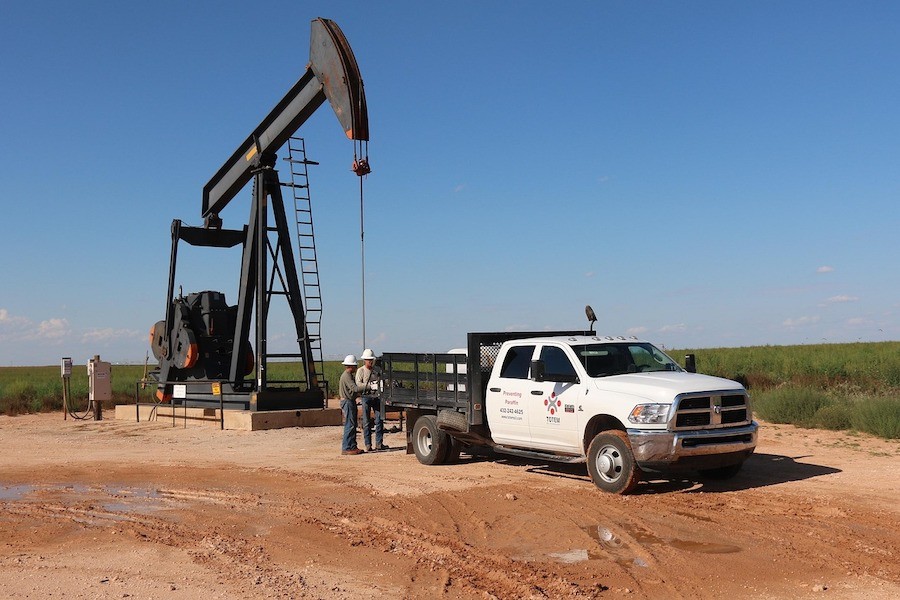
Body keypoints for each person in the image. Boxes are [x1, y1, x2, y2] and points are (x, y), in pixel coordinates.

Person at [339, 354, 376, 455]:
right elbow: (354, 388)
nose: (356, 367)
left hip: (349, 401)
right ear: (351, 366)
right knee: (350, 425)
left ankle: (352, 446)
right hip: (347, 402)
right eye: (355, 365)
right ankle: (347, 447)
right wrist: (370, 387)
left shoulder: (348, 375)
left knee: (352, 424)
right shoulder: (347, 376)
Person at [356, 348, 388, 451]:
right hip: (366, 397)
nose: (370, 361)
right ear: (364, 360)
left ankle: (379, 443)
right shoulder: (361, 371)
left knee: (379, 420)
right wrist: (370, 386)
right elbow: (358, 385)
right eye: (368, 359)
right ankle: (368, 445)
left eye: (371, 359)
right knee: (366, 422)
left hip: (376, 398)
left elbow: (382, 381)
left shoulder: (376, 370)